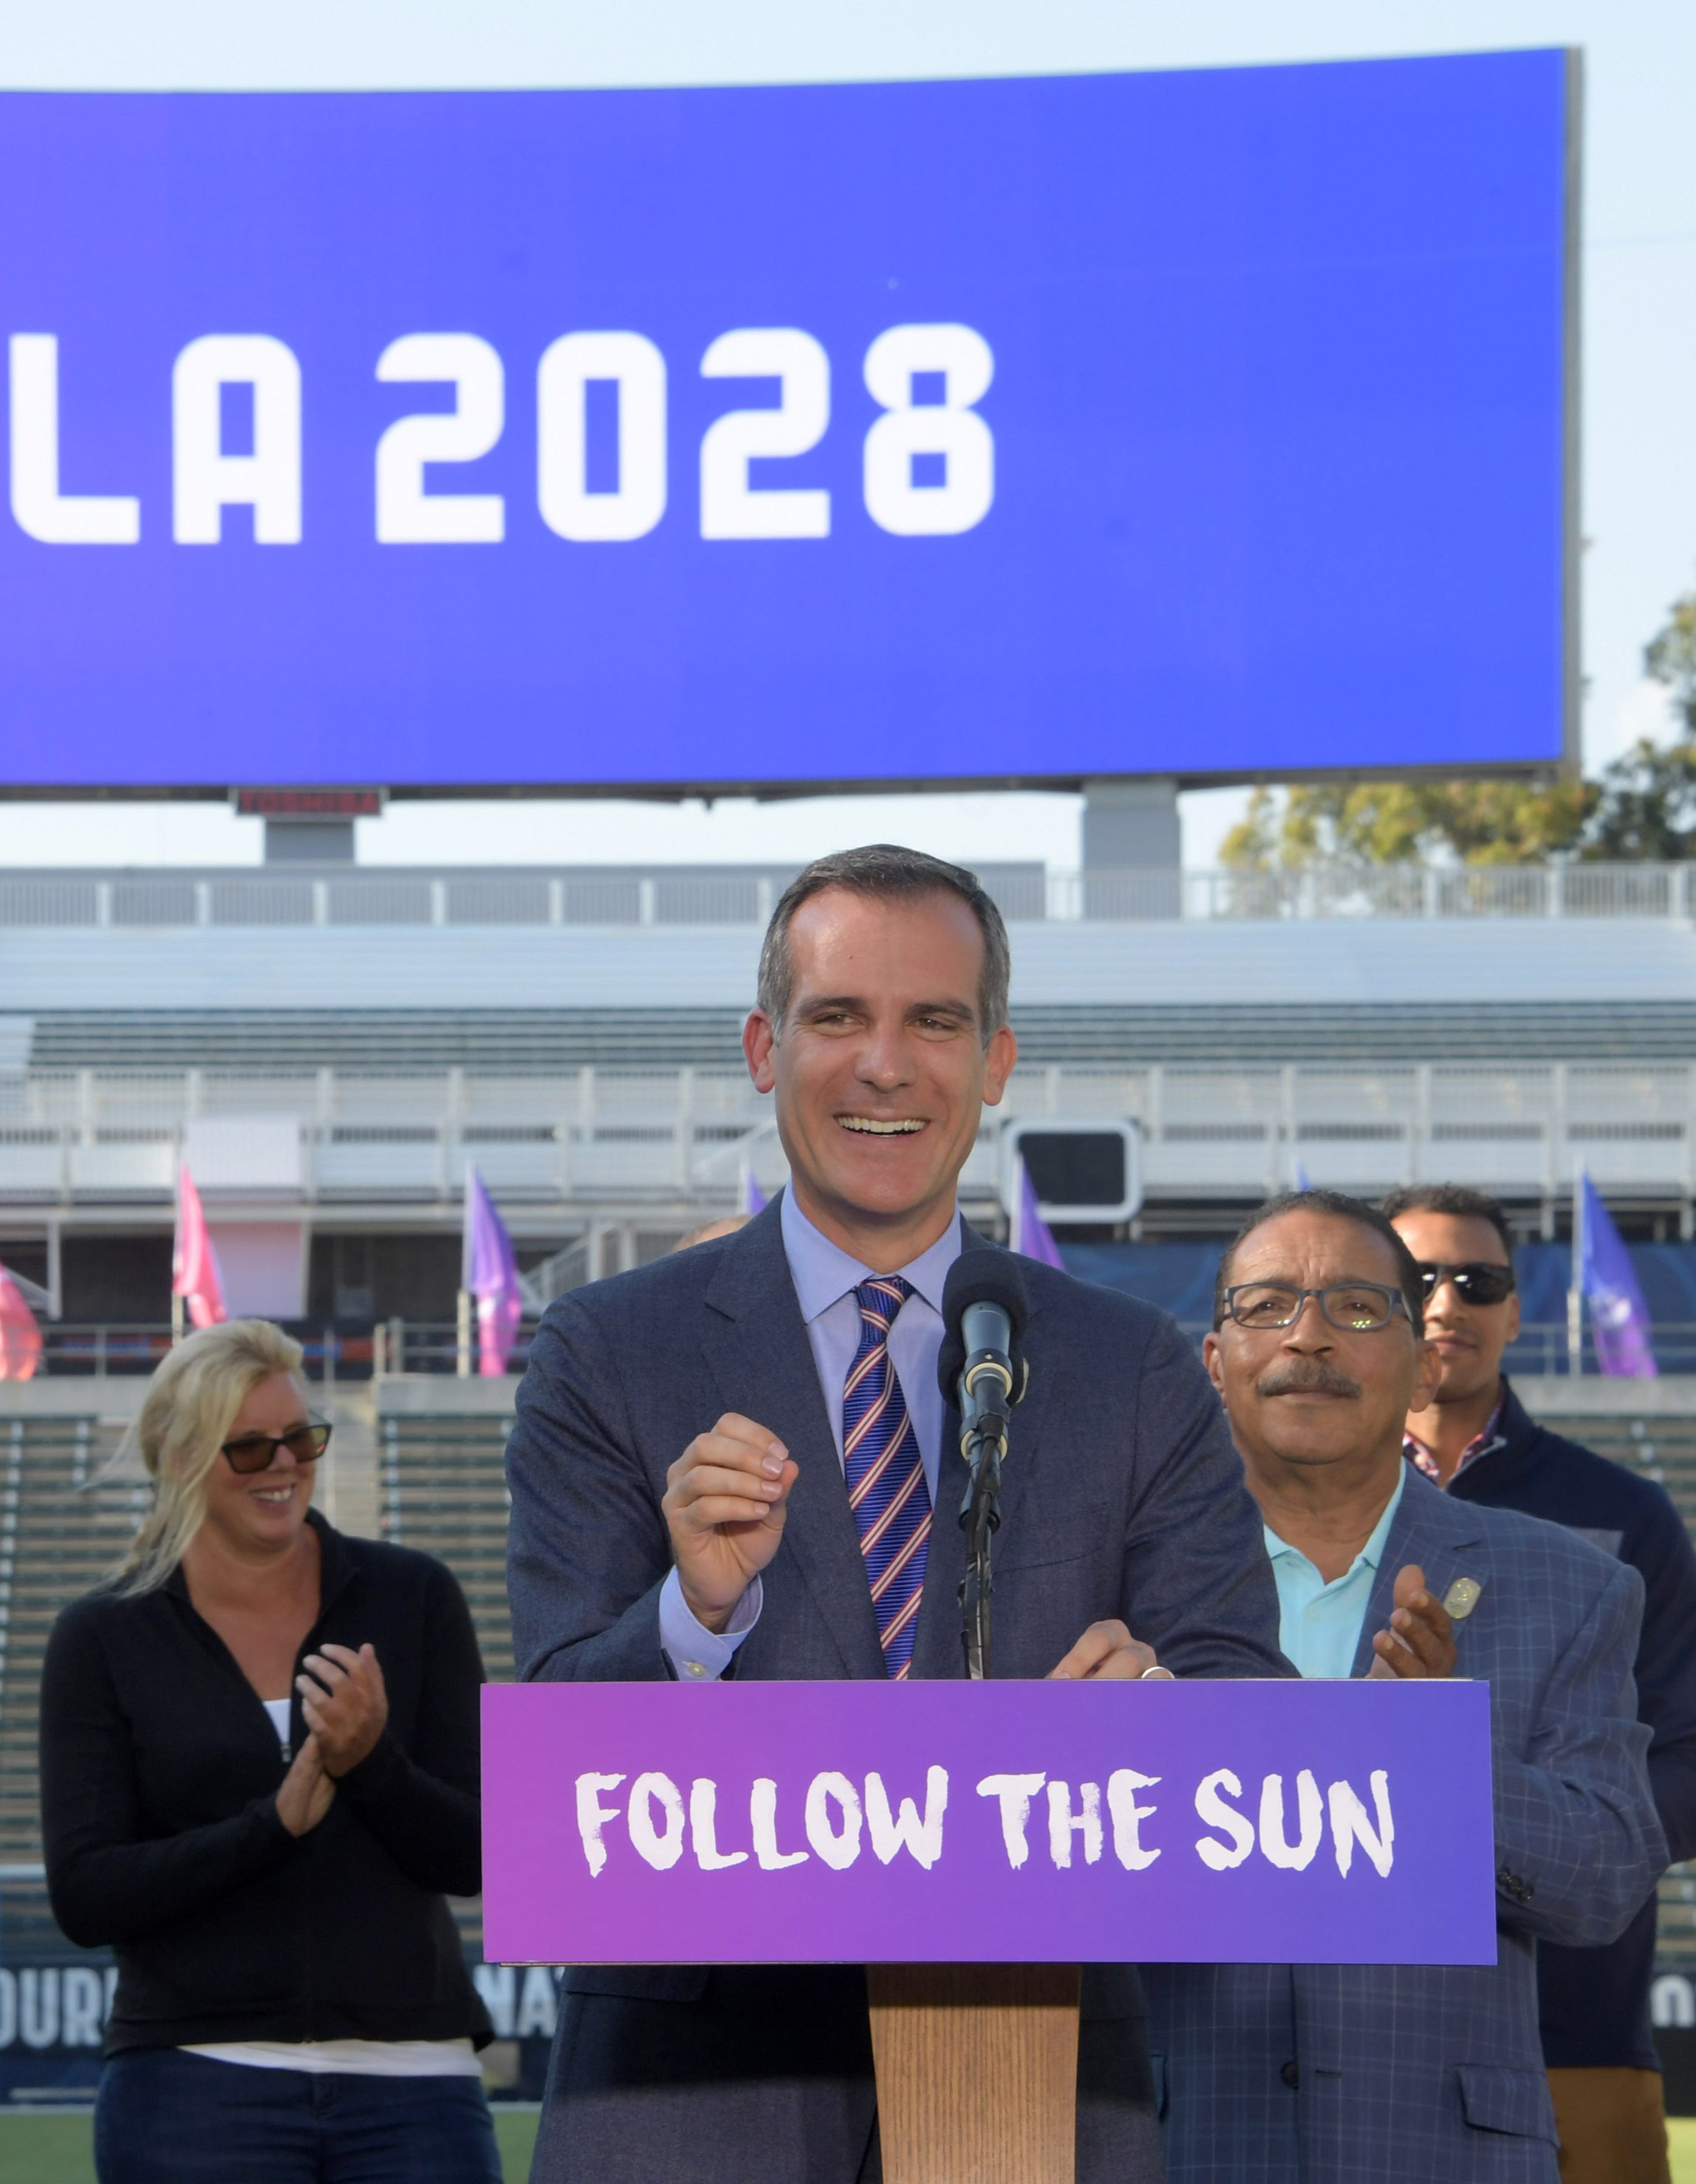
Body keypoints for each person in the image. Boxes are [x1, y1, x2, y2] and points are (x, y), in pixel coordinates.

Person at [506, 845, 1293, 2184]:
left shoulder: (1129, 1364)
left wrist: (1162, 1709)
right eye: (837, 1017)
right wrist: (690, 1616)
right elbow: (556, 1766)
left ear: (995, 1059)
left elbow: (1242, 1703)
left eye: (934, 1020)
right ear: (765, 1047)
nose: (886, 1064)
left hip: (1035, 2083)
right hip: (693, 2097)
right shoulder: (603, 1351)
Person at [1145, 1189, 1668, 2182]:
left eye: (1355, 1307)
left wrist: (1436, 1756)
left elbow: (1604, 1883)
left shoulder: (1573, 1586)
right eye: (1265, 1306)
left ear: (1425, 1357)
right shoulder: (1114, 1581)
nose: (1309, 1338)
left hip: (1439, 2149)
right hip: (1180, 2142)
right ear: (1215, 1363)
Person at [40, 1319, 496, 2184]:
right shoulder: (104, 1635)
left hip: (413, 2080)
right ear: (181, 1459)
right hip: (191, 2083)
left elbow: (477, 1851)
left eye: (300, 1438)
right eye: (248, 1449)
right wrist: (270, 1828)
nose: (284, 1465)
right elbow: (87, 1892)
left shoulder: (414, 1595)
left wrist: (371, 1763)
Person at [1384, 1182, 1696, 2184]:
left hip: (1576, 2019)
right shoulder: (1281, 1504)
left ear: (1518, 1312)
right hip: (1345, 2016)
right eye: (1417, 1278)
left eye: (1478, 1282)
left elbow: (1687, 1756)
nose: (1445, 1303)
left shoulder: (1624, 1515)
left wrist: (1539, 1849)